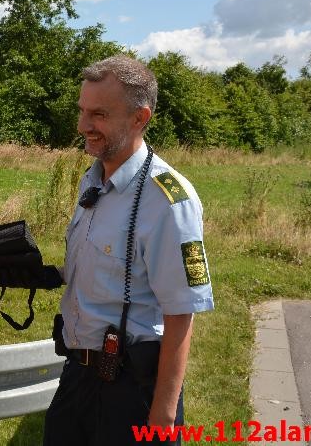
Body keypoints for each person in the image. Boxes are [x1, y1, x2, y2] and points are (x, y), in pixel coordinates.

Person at [43, 55, 214, 445]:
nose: (83, 125)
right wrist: (44, 274)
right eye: (82, 111)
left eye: (99, 114)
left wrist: (163, 414)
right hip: (79, 374)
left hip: (132, 387)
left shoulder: (168, 200)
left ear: (140, 118)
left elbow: (180, 312)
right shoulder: (95, 178)